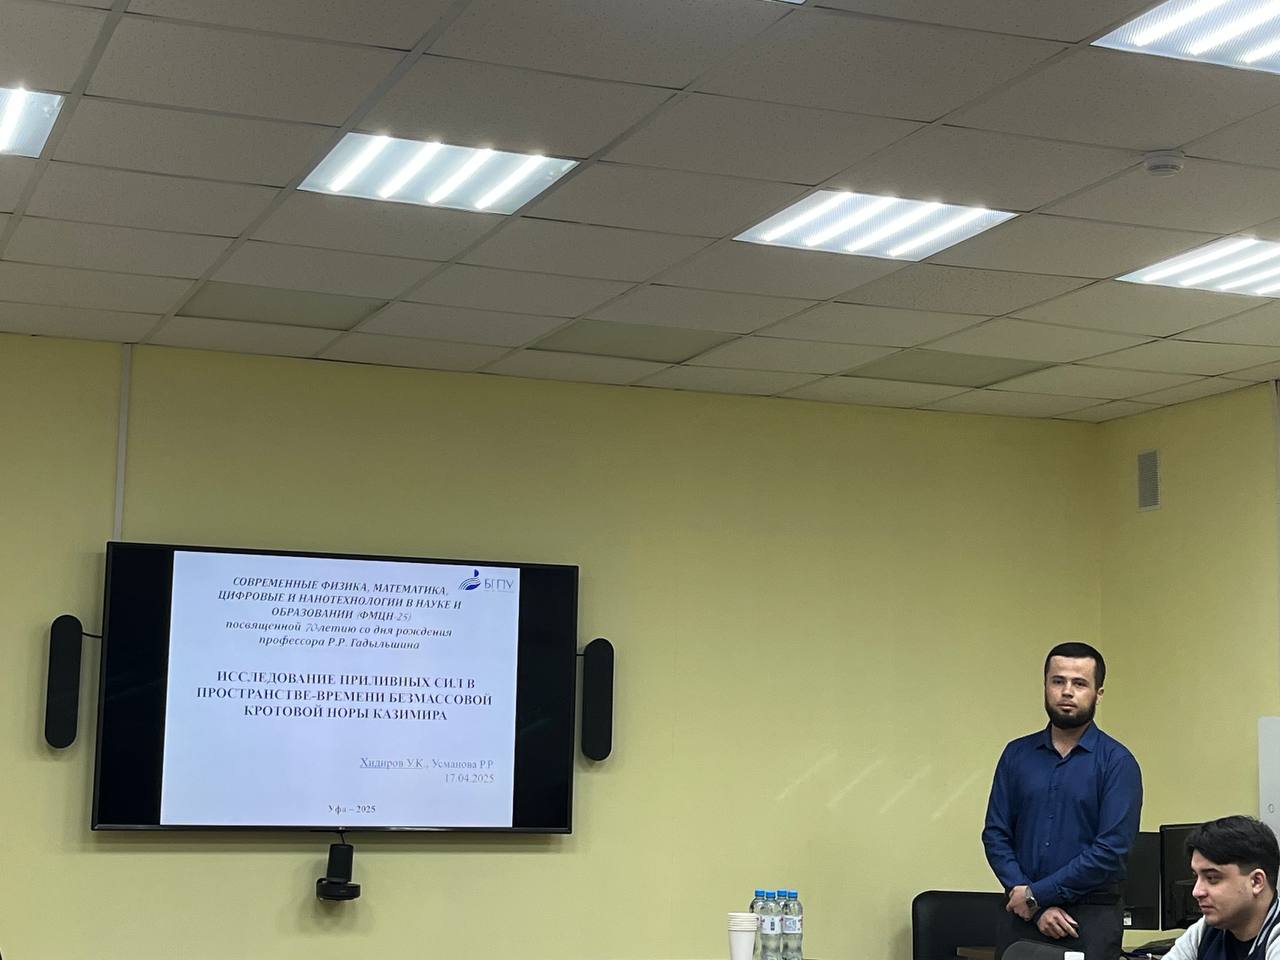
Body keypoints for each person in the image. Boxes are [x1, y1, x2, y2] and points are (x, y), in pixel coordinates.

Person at [982, 642, 1143, 960]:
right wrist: (1031, 901)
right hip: (1021, 917)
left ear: (1098, 694)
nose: (1067, 691)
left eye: (1079, 683)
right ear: (1045, 686)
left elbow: (1110, 850)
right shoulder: (1016, 755)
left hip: (1088, 921)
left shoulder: (1117, 762)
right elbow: (996, 835)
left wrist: (1036, 895)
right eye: (1058, 681)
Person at [1164, 816, 1280, 960]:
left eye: (1212, 878)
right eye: (1196, 877)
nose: (1196, 892)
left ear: (1256, 882)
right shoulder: (1204, 931)